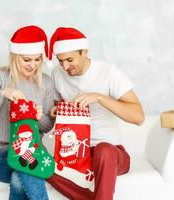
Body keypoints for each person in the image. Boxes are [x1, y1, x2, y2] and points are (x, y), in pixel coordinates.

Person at [47, 27, 145, 200]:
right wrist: (57, 111)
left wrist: (100, 98)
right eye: (60, 61)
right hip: (74, 155)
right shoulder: (57, 74)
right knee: (42, 166)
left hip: (111, 154)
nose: (65, 67)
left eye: (70, 60)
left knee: (103, 151)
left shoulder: (108, 72)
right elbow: (57, 109)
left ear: (84, 51)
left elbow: (138, 117)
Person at [0, 25, 58, 200]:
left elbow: (48, 126)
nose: (33, 65)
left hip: (34, 154)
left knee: (19, 177)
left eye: (37, 60)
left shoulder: (45, 83)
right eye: (27, 60)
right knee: (29, 166)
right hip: (0, 155)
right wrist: (3, 93)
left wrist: (39, 117)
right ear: (15, 57)